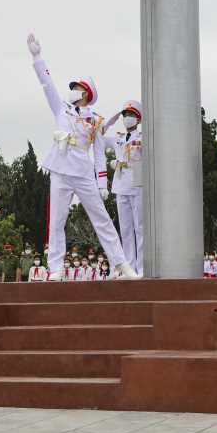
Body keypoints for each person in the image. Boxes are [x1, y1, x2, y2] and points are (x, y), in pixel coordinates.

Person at [26, 33, 138, 281]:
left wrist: (102, 183)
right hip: (60, 170)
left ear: (86, 93)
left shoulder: (96, 119)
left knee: (102, 219)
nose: (73, 92)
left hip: (82, 171)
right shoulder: (62, 110)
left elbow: (99, 155)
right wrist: (37, 57)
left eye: (76, 88)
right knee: (56, 221)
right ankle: (55, 268)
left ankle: (121, 263)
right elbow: (48, 86)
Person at [102, 99, 145, 276]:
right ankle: (130, 268)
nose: (127, 118)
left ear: (138, 119)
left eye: (131, 115)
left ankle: (142, 268)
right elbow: (97, 136)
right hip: (120, 186)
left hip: (137, 184)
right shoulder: (118, 138)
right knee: (126, 230)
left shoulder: (143, 137)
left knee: (140, 228)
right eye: (125, 115)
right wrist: (113, 117)